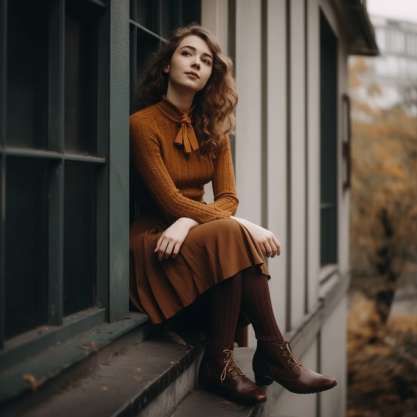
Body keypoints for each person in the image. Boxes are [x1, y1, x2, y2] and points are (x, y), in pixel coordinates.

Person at [129, 23, 337, 405]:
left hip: (190, 232)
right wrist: (229, 222)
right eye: (186, 53)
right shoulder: (142, 125)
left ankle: (234, 360)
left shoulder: (215, 131)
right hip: (159, 243)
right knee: (231, 233)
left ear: (211, 75)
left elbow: (228, 199)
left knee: (229, 233)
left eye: (205, 60)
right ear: (166, 65)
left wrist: (196, 219)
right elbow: (172, 204)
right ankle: (269, 354)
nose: (195, 63)